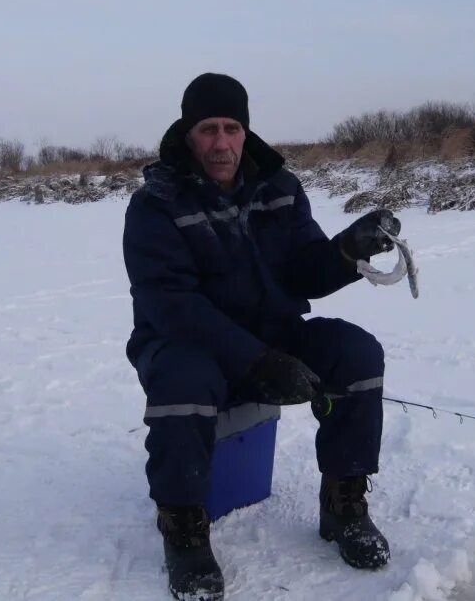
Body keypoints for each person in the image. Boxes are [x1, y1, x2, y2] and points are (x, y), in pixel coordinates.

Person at [122, 72, 401, 600]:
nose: (221, 142)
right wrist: (255, 362)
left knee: (357, 353)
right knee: (183, 379)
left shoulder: (280, 188)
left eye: (232, 127)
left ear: (246, 132)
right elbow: (171, 304)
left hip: (273, 335)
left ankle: (343, 504)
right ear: (188, 134)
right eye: (208, 129)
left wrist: (347, 250)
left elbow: (303, 272)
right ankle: (183, 528)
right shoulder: (155, 204)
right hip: (186, 343)